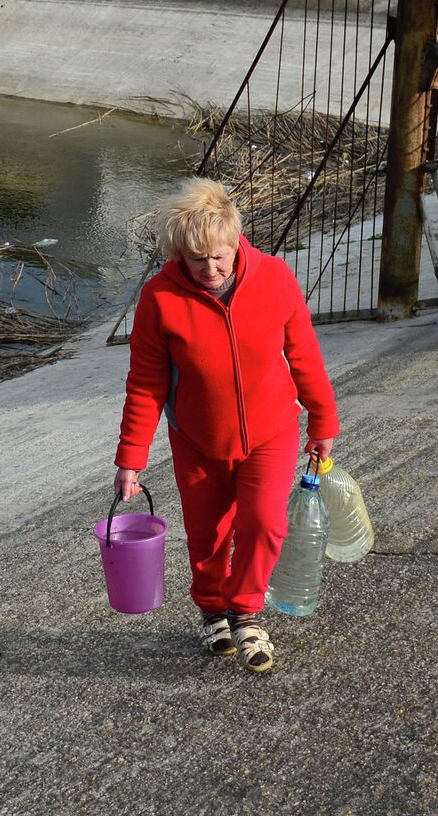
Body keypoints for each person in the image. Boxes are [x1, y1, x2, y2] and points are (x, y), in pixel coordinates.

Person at [113, 177, 339, 674]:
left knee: (264, 522)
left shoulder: (276, 278)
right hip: (197, 439)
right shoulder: (159, 298)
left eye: (219, 255)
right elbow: (146, 384)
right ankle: (212, 607)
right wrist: (131, 458)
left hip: (272, 431)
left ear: (236, 242)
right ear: (178, 255)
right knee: (207, 535)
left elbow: (303, 355)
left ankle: (245, 610)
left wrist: (322, 419)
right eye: (197, 259)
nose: (211, 269)